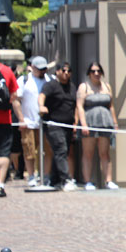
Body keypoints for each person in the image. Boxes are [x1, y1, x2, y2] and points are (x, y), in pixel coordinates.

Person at [75, 61, 119, 190]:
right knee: (88, 153)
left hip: (105, 122)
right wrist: (83, 124)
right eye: (93, 71)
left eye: (99, 71)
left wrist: (115, 122)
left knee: (104, 153)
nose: (96, 73)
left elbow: (111, 106)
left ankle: (108, 181)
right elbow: (79, 106)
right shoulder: (84, 87)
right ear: (89, 73)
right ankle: (88, 181)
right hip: (90, 122)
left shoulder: (106, 86)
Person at [39, 62, 78, 191]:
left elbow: (75, 106)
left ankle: (55, 180)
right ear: (57, 72)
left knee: (63, 152)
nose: (66, 73)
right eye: (63, 70)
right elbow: (42, 96)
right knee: (60, 149)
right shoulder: (51, 85)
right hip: (53, 124)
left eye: (69, 71)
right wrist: (41, 106)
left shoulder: (72, 87)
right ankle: (66, 179)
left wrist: (75, 123)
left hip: (67, 124)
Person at [15, 56, 53, 186]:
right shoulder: (24, 80)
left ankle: (46, 175)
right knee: (29, 150)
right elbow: (16, 100)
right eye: (40, 69)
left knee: (48, 151)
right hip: (29, 121)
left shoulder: (50, 80)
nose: (43, 72)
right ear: (33, 68)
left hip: (46, 123)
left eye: (44, 69)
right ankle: (31, 175)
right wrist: (21, 119)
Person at [0, 41, 19, 197]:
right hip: (4, 119)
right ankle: (0, 184)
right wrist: (21, 118)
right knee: (3, 153)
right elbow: (14, 97)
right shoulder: (7, 71)